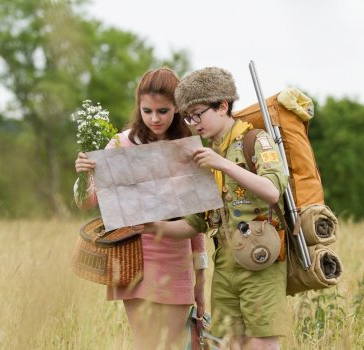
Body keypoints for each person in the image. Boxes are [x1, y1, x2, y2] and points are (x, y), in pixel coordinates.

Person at [143, 67, 289, 350]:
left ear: (222, 106)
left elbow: (272, 190)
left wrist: (222, 164)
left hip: (261, 260)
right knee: (225, 345)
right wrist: (151, 227)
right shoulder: (206, 154)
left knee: (261, 344)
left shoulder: (254, 140)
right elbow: (194, 223)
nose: (194, 123)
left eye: (198, 113)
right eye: (188, 116)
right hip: (225, 266)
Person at [73, 67, 208, 349]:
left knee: (172, 344)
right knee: (145, 343)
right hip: (133, 255)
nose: (154, 119)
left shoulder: (189, 150)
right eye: (147, 111)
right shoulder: (121, 143)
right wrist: (85, 174)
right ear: (139, 107)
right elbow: (87, 201)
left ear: (177, 108)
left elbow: (197, 225)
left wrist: (200, 281)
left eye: (163, 111)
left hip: (175, 256)